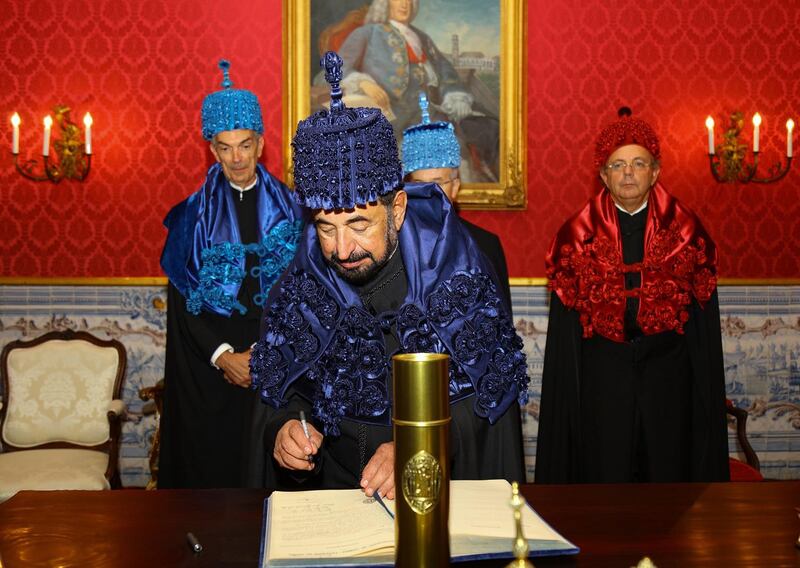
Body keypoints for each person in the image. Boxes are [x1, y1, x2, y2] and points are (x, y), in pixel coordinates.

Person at [248, 52, 528, 499]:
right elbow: (284, 388)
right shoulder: (303, 279)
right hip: (330, 494)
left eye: (359, 225)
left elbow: (487, 402)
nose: (342, 250)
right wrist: (284, 432)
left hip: (429, 495)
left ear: (396, 210)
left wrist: (420, 446)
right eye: (326, 228)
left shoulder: (453, 270)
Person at [535, 108, 730, 484]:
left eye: (638, 163)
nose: (628, 172)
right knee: (604, 477)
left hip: (669, 378)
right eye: (618, 164)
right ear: (603, 175)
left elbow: (704, 327)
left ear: (654, 172)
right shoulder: (576, 236)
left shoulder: (687, 232)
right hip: (602, 379)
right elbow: (565, 336)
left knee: (668, 476)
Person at [158, 60, 303, 488]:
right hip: (213, 378)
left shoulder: (295, 211)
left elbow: (309, 293)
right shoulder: (190, 216)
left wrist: (270, 353)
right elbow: (182, 303)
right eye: (225, 147)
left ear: (261, 144)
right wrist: (223, 355)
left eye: (245, 145)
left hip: (280, 366)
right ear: (212, 149)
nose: (237, 158)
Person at [335, 0, 500, 181]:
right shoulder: (368, 33)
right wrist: (364, 83)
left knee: (469, 142)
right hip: (394, 116)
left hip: (431, 111)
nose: (405, 4)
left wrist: (455, 95)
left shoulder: (422, 38)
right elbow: (336, 67)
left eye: (410, 0)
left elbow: (446, 72)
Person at [402, 92, 512, 309]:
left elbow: (502, 323)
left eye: (438, 183)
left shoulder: (486, 246)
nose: (428, 193)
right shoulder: (392, 248)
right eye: (419, 184)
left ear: (455, 186)